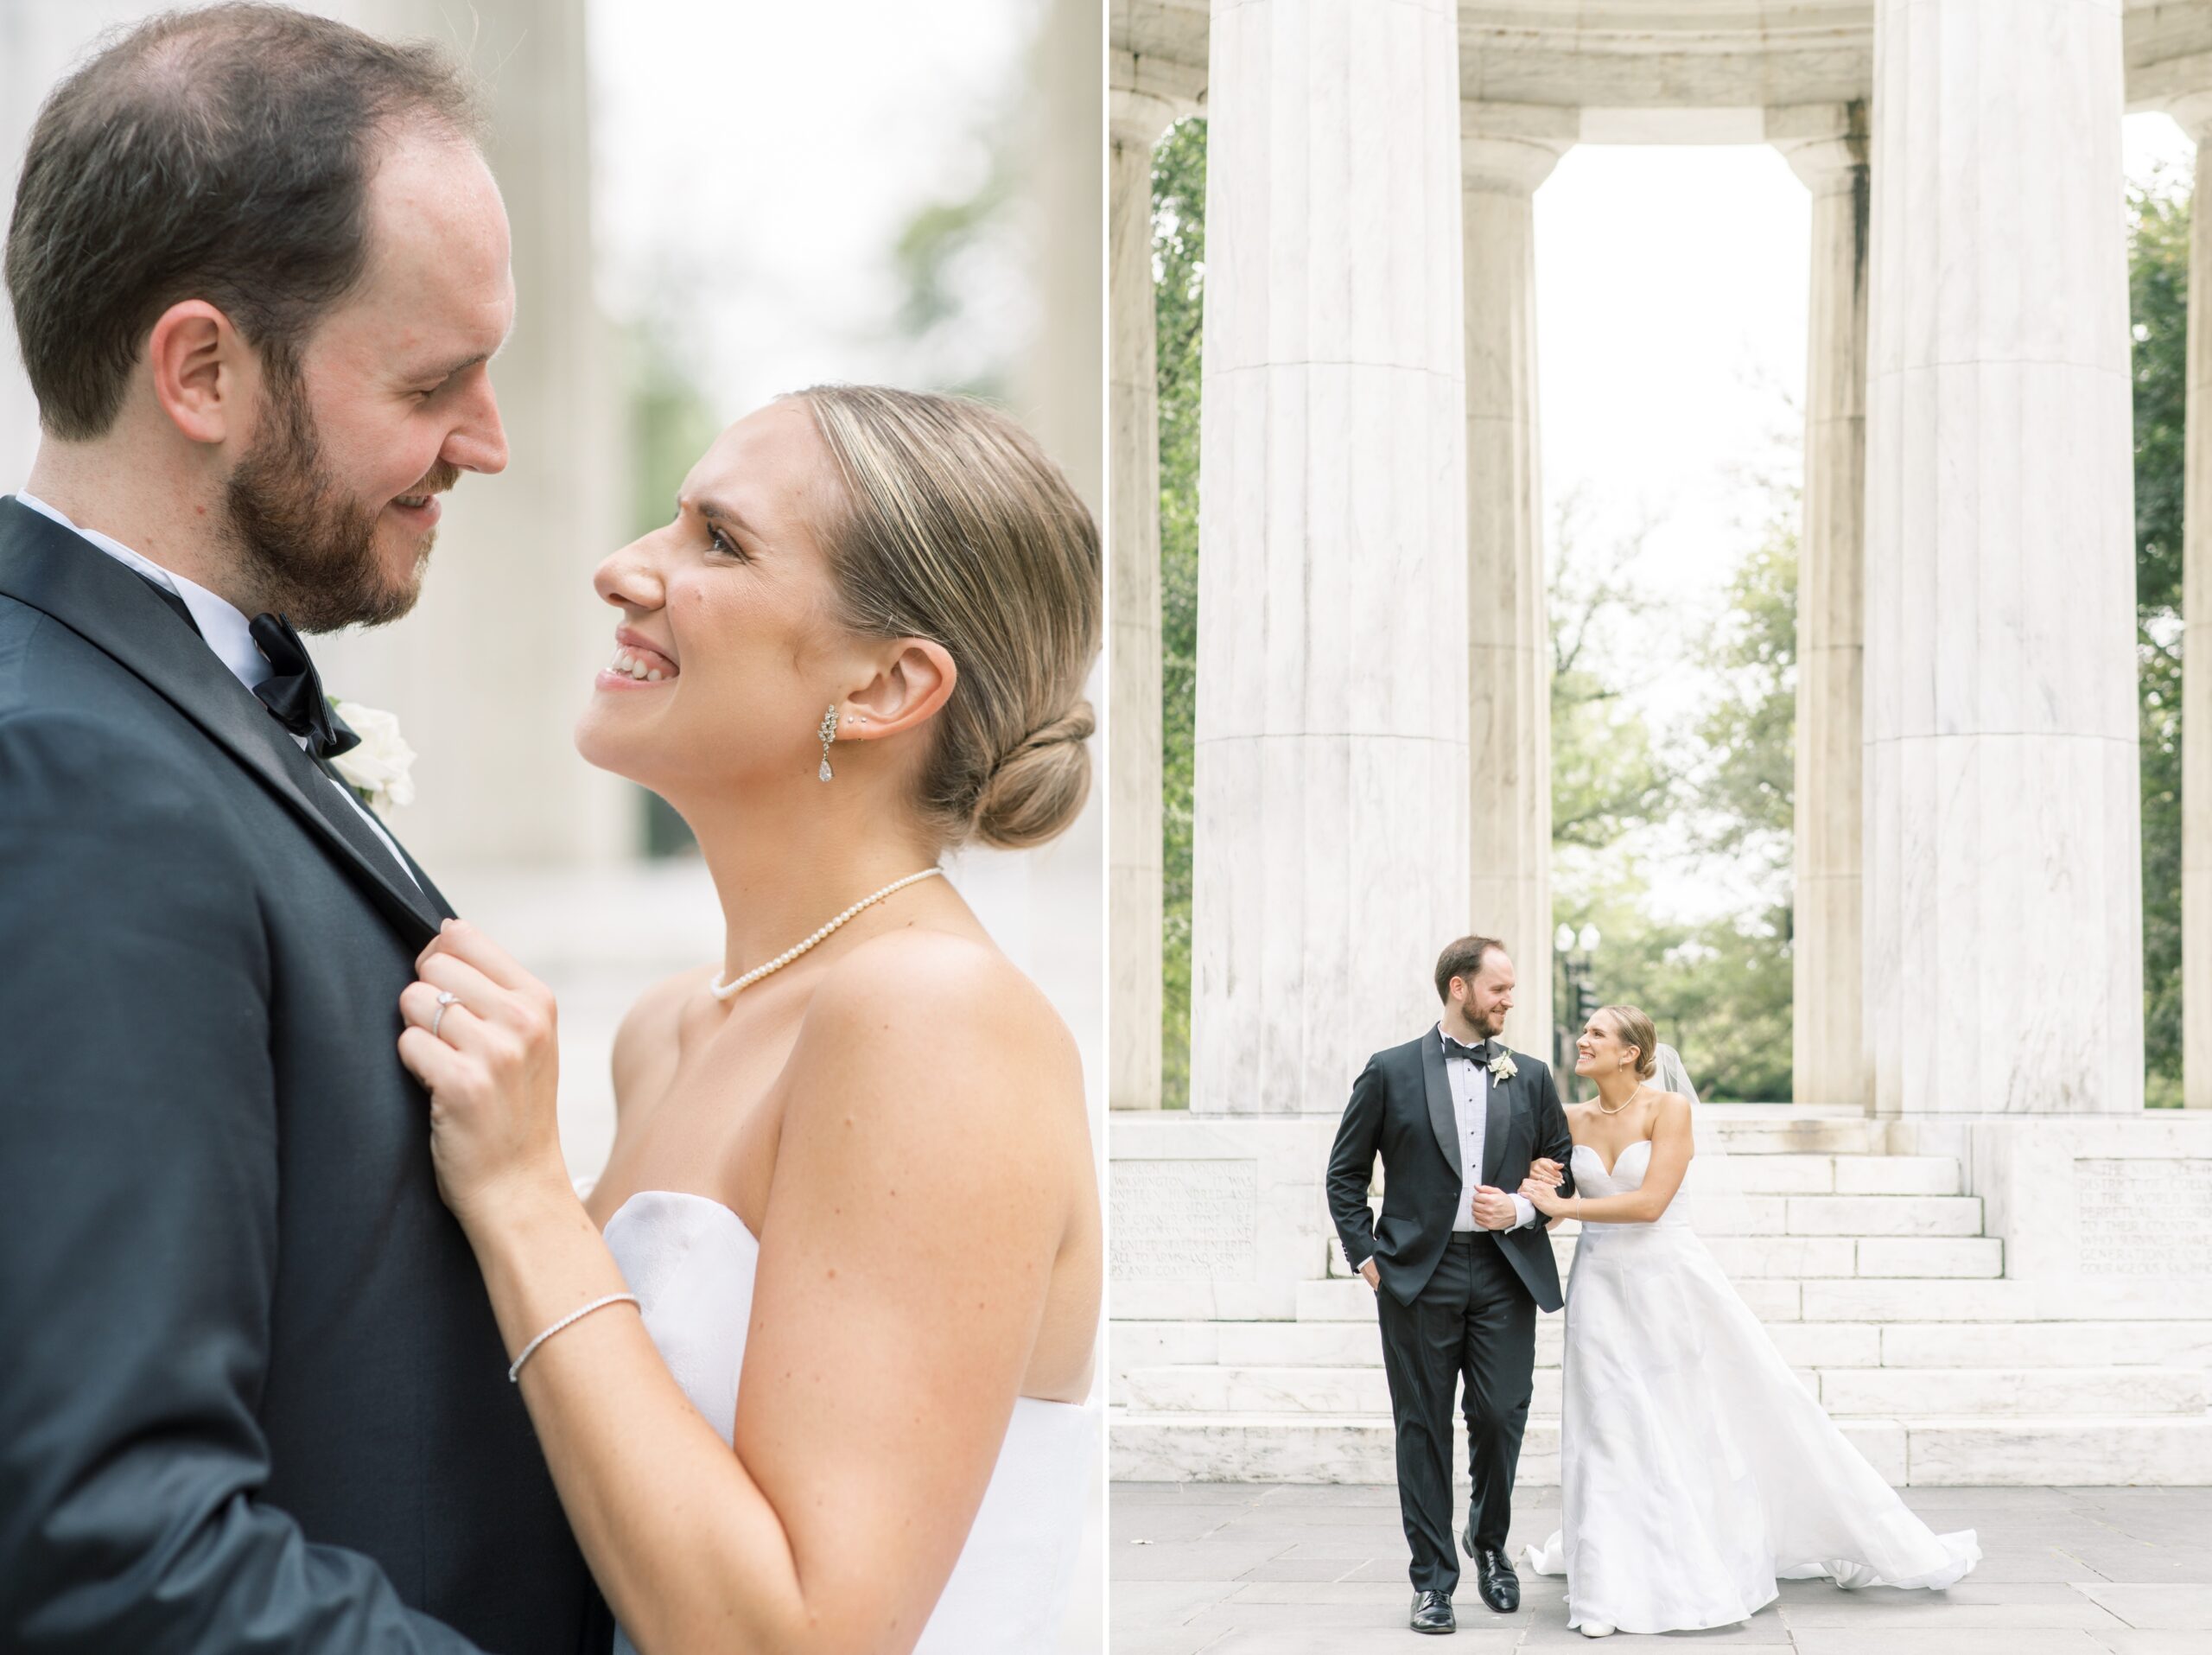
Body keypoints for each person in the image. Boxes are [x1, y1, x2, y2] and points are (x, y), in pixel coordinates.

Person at [0, 6, 608, 1648]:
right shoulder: (72, 782)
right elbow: (112, 1546)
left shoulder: (157, 702)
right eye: (432, 381)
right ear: (202, 370)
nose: (488, 441)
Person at [395, 385, 1103, 1654]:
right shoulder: (668, 1029)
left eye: (718, 541)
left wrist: (523, 1194)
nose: (622, 568)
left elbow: (798, 1637)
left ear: (886, 683)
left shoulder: (933, 1018)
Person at [1517, 1005, 1980, 1638]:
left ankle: (1705, 1547)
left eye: (1597, 1032)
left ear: (1630, 1052)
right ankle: (1608, 1578)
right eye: (1585, 1031)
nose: (1583, 1039)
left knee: (1687, 1414)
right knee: (1605, 1420)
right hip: (1597, 1283)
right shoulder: (1569, 1119)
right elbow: (1550, 1206)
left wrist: (1563, 1205)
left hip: (1667, 1282)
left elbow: (1651, 1204)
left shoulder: (1669, 1110)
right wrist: (1536, 1191)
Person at [1325, 936, 1577, 1634]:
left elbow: (1561, 1169)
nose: (1509, 1000)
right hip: (1415, 1275)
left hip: (1505, 1271)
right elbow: (1345, 1174)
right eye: (1499, 987)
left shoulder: (1529, 1075)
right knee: (1422, 1425)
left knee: (1500, 1414)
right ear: (1459, 987)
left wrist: (1521, 1208)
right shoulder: (1390, 1070)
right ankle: (1433, 1580)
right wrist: (1366, 1256)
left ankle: (1488, 1541)